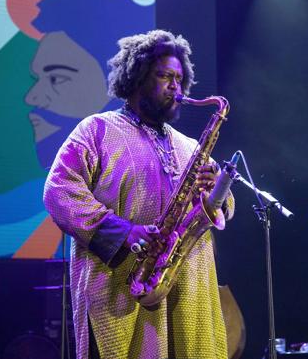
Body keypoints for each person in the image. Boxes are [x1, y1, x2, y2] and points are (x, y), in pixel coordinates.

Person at [43, 30, 234, 359]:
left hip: (190, 292)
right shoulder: (96, 130)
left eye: (178, 77)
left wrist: (216, 188)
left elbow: (225, 207)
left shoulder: (192, 147)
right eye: (164, 76)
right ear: (136, 78)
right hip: (121, 289)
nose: (175, 85)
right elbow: (60, 189)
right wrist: (123, 231)